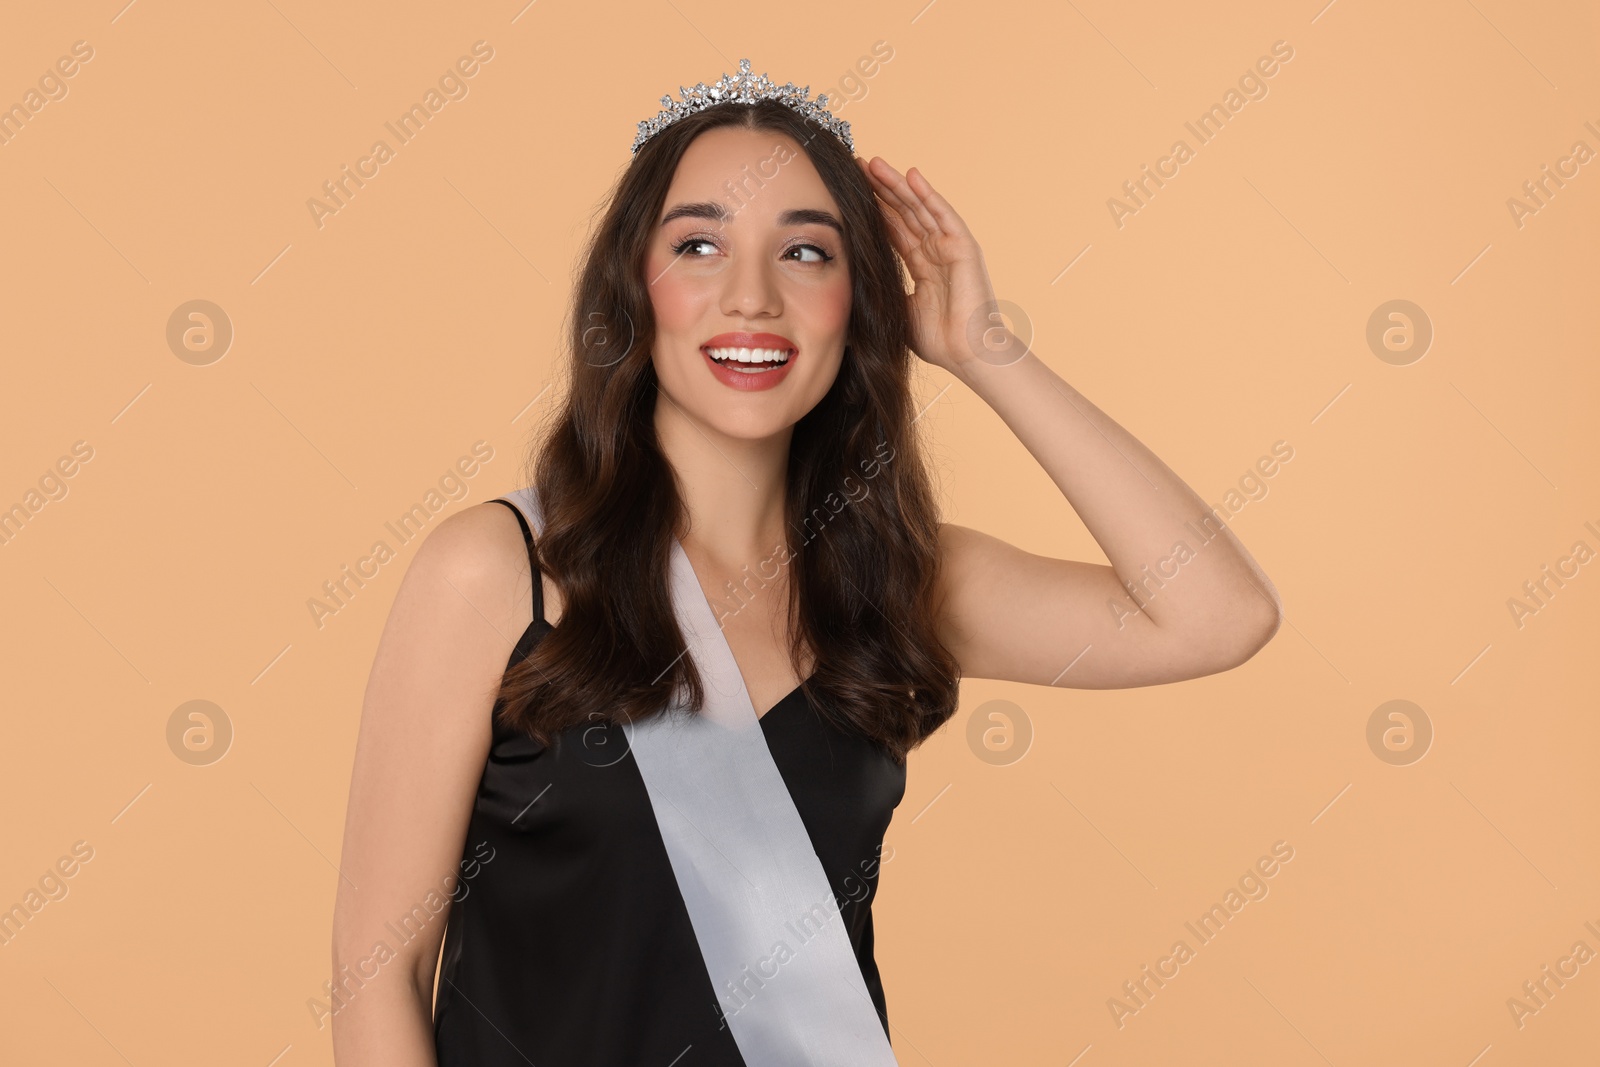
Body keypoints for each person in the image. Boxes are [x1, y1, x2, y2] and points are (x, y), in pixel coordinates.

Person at [331, 59, 1282, 1066]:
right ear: (633, 287)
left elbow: (1217, 612)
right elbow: (375, 970)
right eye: (698, 244)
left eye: (806, 253)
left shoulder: (898, 582)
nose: (751, 298)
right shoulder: (500, 571)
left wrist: (985, 347)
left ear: (857, 302)